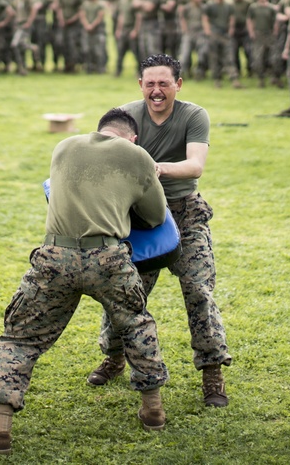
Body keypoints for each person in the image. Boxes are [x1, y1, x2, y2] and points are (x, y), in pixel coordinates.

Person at [0, 108, 170, 455]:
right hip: (109, 258)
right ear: (132, 137)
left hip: (55, 258)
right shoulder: (139, 156)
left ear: (100, 130)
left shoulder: (64, 146)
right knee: (136, 326)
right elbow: (155, 216)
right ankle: (153, 410)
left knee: (21, 336)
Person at [90, 54, 232, 408]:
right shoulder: (123, 116)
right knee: (123, 294)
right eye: (150, 83)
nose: (156, 91)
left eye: (164, 83)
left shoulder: (193, 115)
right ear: (140, 85)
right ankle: (114, 357)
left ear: (178, 85)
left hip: (185, 214)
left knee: (199, 290)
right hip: (138, 216)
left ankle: (212, 371)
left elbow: (195, 165)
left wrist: (153, 167)